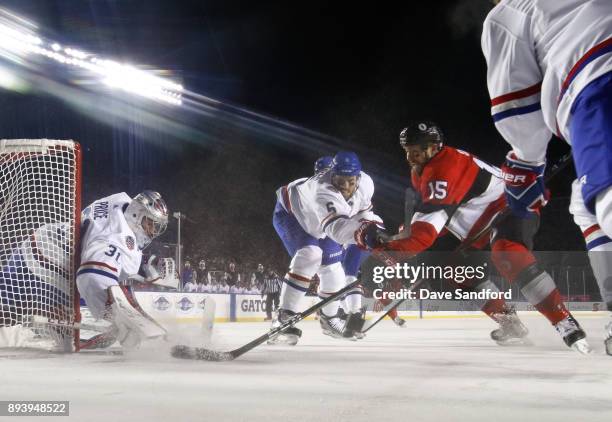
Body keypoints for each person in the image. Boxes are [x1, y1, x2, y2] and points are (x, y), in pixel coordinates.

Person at [360, 122, 590, 353]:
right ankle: (509, 322)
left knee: (507, 254)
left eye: (416, 150)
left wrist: (391, 251)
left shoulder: (444, 168)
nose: (411, 156)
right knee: (456, 272)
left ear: (434, 147)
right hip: (477, 226)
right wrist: (400, 242)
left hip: (508, 208)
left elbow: (426, 231)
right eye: (407, 150)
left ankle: (564, 322)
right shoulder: (420, 172)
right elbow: (433, 216)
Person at [481, 0, 612, 353]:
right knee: (584, 204)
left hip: (598, 83)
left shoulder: (510, 12)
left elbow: (518, 110)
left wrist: (527, 165)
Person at [271, 151, 383, 345]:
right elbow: (339, 231)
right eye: (341, 182)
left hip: (322, 223)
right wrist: (371, 236)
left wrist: (380, 232)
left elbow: (363, 215)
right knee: (310, 255)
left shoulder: (366, 184)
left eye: (351, 181)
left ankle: (330, 319)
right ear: (332, 176)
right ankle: (283, 316)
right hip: (293, 216)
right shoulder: (322, 191)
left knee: (334, 270)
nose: (346, 188)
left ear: (359, 176)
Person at [77, 191, 169, 349]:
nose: (152, 231)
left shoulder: (121, 202)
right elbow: (92, 275)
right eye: (150, 223)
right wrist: (120, 319)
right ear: (136, 215)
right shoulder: (116, 236)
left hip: (43, 248)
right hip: (39, 271)